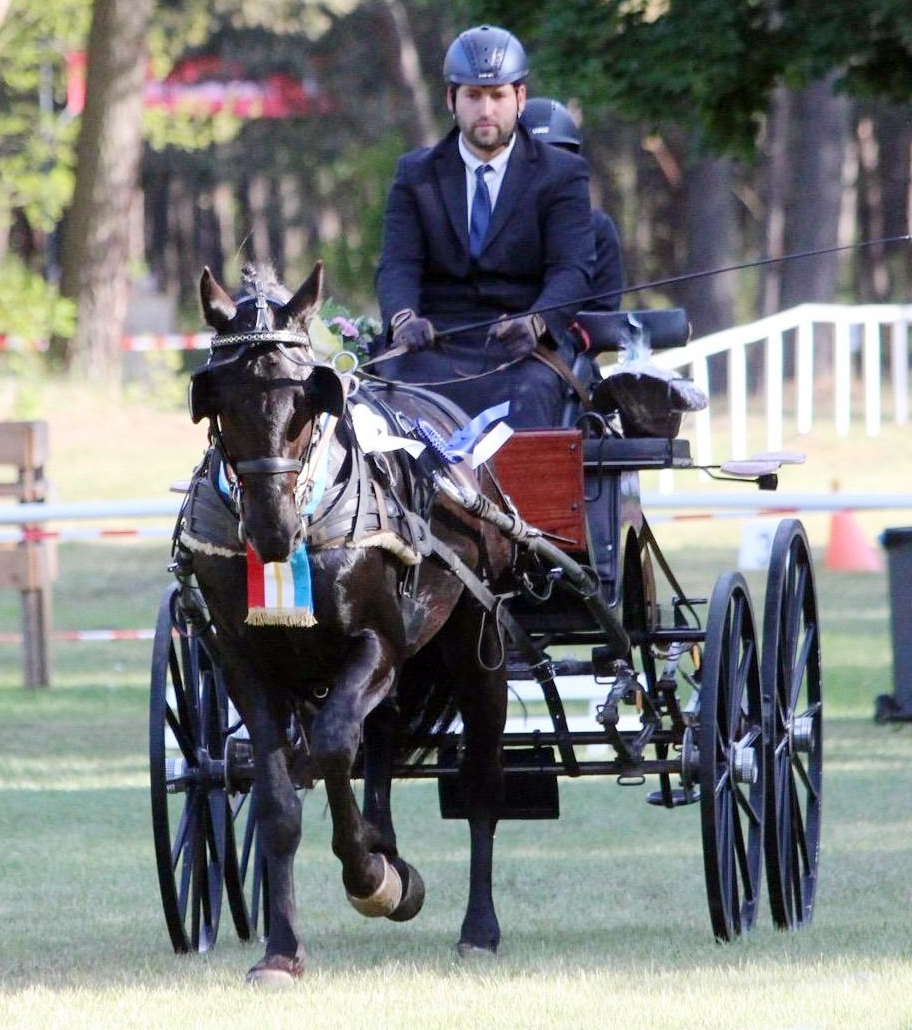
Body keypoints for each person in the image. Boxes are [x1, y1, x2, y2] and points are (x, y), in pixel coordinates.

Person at [374, 24, 596, 428]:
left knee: (533, 392)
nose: (486, 110)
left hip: (524, 348)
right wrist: (404, 319)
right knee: (385, 398)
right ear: (451, 99)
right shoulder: (415, 174)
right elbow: (397, 264)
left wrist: (537, 321)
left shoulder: (563, 174)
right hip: (433, 344)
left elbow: (572, 269)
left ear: (520, 98)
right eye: (473, 96)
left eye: (498, 95)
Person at [519, 97, 624, 313]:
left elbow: (602, 314)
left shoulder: (597, 229)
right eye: (538, 161)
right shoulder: (483, 227)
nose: (550, 172)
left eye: (560, 160)